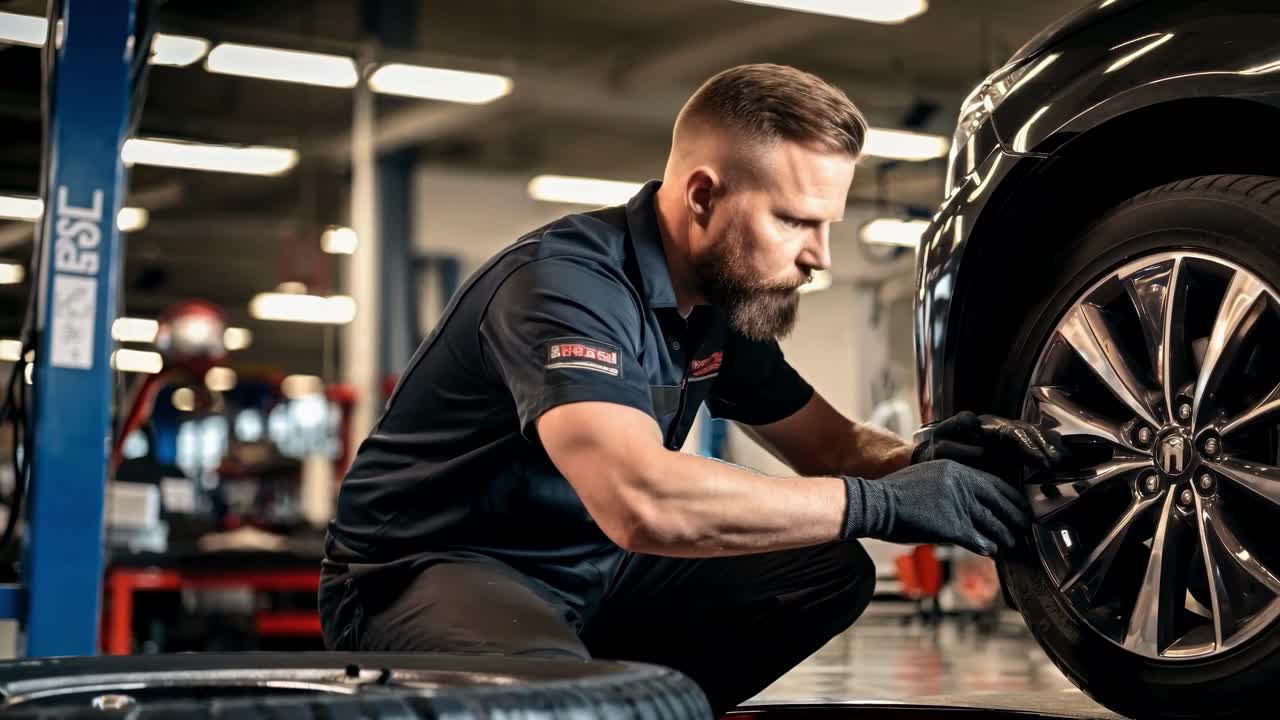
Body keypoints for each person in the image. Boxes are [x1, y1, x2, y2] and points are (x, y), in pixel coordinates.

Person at [319, 63, 1063, 714]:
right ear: (702, 194)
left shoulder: (714, 308)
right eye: (796, 221)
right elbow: (639, 498)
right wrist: (881, 503)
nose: (820, 258)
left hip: (592, 573)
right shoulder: (563, 286)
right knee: (545, 698)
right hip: (429, 572)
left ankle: (631, 708)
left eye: (827, 225)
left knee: (823, 572)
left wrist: (924, 461)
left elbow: (833, 446)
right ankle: (573, 697)